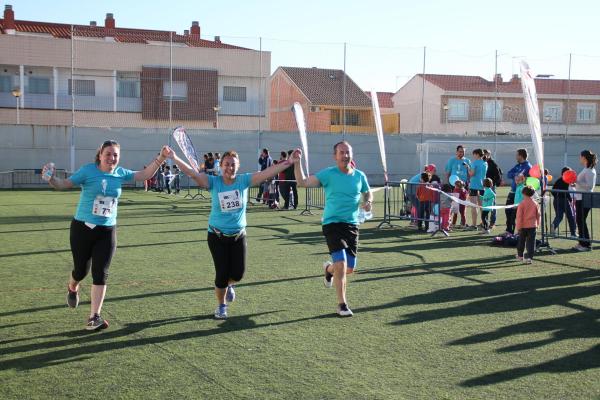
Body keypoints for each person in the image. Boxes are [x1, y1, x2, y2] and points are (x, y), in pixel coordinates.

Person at [41, 140, 171, 330]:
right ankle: (72, 287)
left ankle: (94, 316)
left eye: (115, 155)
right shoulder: (88, 171)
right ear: (100, 155)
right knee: (80, 271)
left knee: (101, 273)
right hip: (82, 229)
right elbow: (64, 184)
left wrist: (161, 158)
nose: (112, 158)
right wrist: (51, 179)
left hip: (107, 231)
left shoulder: (120, 173)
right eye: (108, 154)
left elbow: (144, 174)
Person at [168, 149, 293, 319]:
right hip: (216, 236)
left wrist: (289, 161)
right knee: (221, 273)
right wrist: (174, 157)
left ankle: (229, 285)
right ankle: (221, 305)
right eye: (226, 164)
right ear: (221, 166)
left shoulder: (244, 180)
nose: (230, 167)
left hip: (238, 236)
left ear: (238, 166)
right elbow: (191, 173)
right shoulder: (213, 182)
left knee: (238, 274)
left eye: (233, 164)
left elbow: (267, 172)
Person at [291, 141, 372, 317]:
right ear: (335, 156)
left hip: (352, 225)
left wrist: (368, 201)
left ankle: (328, 270)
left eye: (347, 152)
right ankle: (342, 305)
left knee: (349, 268)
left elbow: (367, 192)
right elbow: (303, 182)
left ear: (352, 154)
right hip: (332, 224)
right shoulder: (328, 174)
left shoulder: (360, 176)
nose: (345, 155)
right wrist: (297, 163)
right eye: (341, 153)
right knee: (341, 266)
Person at [573, 150, 597, 252]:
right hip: (580, 198)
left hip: (585, 199)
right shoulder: (586, 169)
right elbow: (583, 184)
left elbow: (590, 186)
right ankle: (582, 242)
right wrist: (576, 184)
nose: (580, 158)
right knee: (580, 220)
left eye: (580, 156)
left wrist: (577, 181)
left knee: (581, 220)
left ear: (584, 158)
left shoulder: (590, 171)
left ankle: (586, 244)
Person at [505, 148, 531, 234]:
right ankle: (509, 230)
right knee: (508, 211)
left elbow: (529, 179)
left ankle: (519, 232)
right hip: (512, 192)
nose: (515, 157)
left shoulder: (528, 166)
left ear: (521, 156)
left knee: (516, 213)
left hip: (520, 194)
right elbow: (509, 174)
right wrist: (515, 175)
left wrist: (522, 178)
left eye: (517, 155)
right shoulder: (517, 166)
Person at [516, 185, 541, 264]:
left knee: (521, 242)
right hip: (532, 226)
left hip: (523, 226)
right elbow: (538, 215)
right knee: (531, 243)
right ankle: (529, 258)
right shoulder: (535, 203)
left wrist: (518, 226)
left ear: (523, 193)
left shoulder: (521, 204)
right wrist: (537, 224)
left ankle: (520, 256)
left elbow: (519, 217)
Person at [550, 167, 576, 237]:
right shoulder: (566, 180)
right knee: (571, 216)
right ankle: (573, 233)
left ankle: (554, 225)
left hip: (556, 200)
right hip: (564, 200)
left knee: (559, 216)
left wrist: (556, 197)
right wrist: (570, 200)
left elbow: (552, 190)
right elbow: (566, 192)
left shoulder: (559, 180)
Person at [467, 148, 487, 229]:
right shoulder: (485, 163)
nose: (473, 156)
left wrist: (468, 168)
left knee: (473, 206)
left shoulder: (474, 163)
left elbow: (472, 173)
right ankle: (483, 223)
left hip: (474, 185)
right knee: (482, 206)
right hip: (482, 186)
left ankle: (474, 224)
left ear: (477, 154)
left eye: (474, 154)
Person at [483, 149, 502, 228]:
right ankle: (485, 222)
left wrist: (492, 183)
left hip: (491, 187)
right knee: (485, 204)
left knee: (492, 204)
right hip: (483, 187)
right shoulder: (482, 162)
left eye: (486, 154)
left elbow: (498, 175)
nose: (485, 156)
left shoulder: (493, 163)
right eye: (483, 154)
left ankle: (492, 222)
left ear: (489, 154)